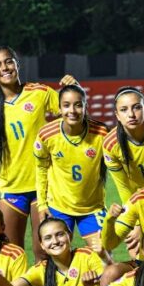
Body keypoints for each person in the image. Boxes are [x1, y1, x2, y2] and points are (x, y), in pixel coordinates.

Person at [0, 46, 74, 260]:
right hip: (10, 187)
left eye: (8, 61)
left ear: (17, 64)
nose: (5, 67)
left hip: (43, 185)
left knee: (43, 250)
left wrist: (74, 88)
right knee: (11, 253)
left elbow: (72, 112)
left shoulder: (39, 93)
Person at [35, 84, 111, 250]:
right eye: (66, 105)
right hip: (59, 207)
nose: (72, 110)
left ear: (85, 106)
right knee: (59, 257)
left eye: (78, 104)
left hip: (92, 208)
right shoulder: (46, 134)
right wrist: (42, 204)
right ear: (59, 108)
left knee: (103, 256)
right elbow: (41, 169)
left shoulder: (102, 133)